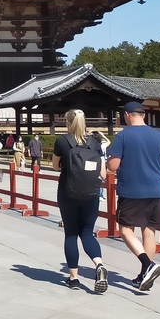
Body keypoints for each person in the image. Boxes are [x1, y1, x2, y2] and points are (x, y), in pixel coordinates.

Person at [107, 101, 160, 292]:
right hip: (154, 189)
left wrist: (110, 160)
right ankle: (146, 273)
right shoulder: (159, 136)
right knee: (149, 232)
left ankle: (148, 265)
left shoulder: (123, 136)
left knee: (126, 230)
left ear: (127, 115)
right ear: (143, 115)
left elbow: (113, 166)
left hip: (132, 190)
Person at [52, 109, 107, 292]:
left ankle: (74, 278)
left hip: (68, 192)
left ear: (67, 122)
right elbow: (103, 173)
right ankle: (99, 265)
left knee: (71, 234)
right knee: (87, 232)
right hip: (91, 194)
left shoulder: (62, 141)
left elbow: (54, 166)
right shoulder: (95, 143)